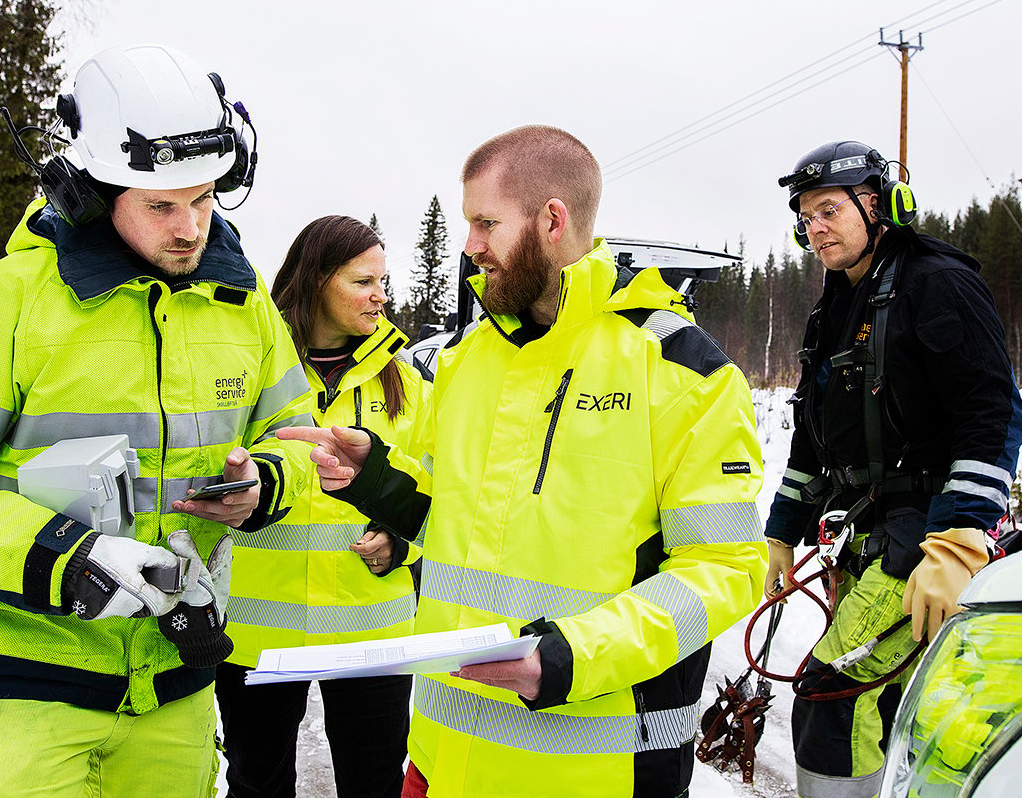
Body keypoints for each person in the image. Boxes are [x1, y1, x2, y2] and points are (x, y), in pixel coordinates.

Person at [0, 43, 316, 798]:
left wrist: (264, 485)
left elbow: (295, 439)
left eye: (204, 199)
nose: (190, 228)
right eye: (161, 205)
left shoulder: (246, 304)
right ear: (94, 190)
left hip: (178, 687)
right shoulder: (11, 300)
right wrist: (60, 557)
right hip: (22, 689)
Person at [280, 125, 767, 798]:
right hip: (441, 760)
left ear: (552, 220)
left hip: (593, 775)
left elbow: (724, 571)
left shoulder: (682, 371)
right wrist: (379, 480)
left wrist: (570, 658)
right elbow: (456, 526)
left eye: (486, 224)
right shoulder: (464, 361)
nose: (470, 246)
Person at [765, 140, 1022, 798]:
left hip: (924, 531)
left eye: (829, 210)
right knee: (906, 704)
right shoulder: (835, 306)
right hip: (868, 531)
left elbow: (990, 413)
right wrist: (782, 532)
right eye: (805, 216)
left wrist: (961, 537)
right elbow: (815, 434)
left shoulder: (935, 281)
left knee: (834, 697)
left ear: (878, 205)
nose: (815, 227)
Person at [217, 215, 429, 798]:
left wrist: (401, 538)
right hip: (258, 632)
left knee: (375, 784)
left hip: (373, 629)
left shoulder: (408, 382)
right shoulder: (248, 369)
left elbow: (436, 484)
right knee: (257, 784)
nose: (381, 295)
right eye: (363, 282)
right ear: (315, 281)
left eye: (383, 281)